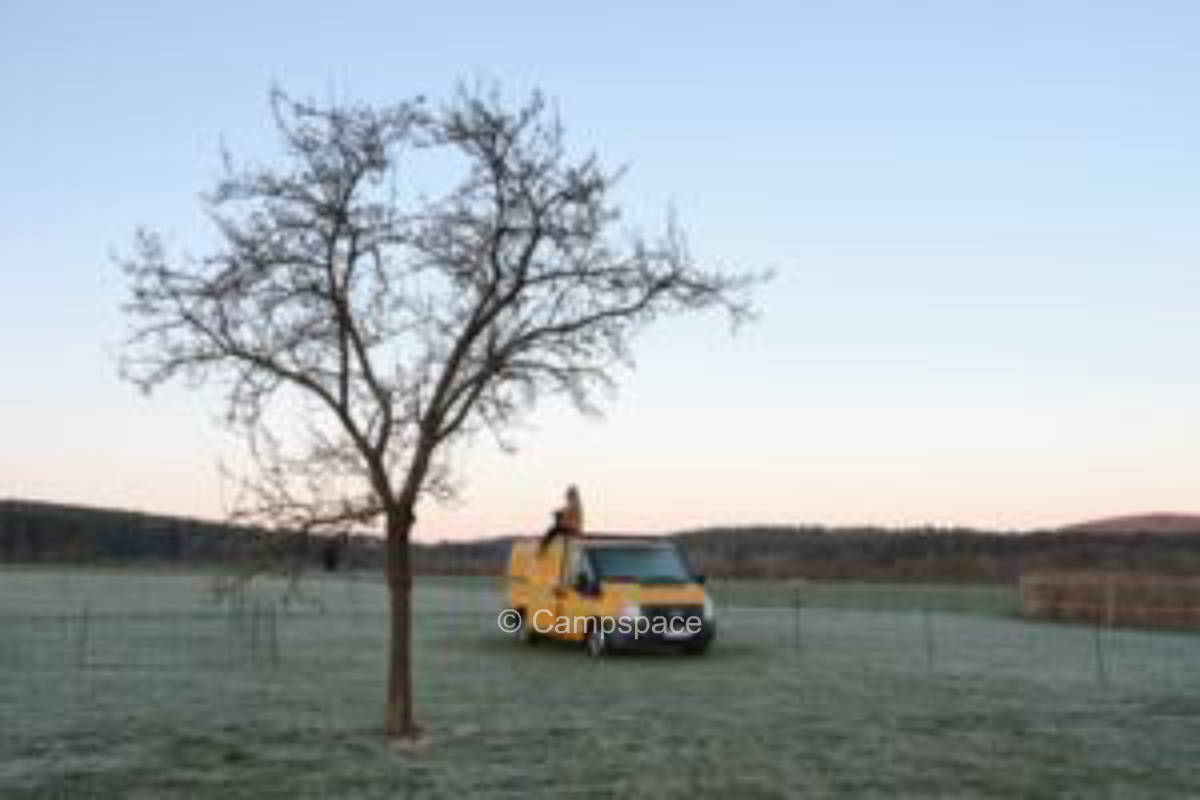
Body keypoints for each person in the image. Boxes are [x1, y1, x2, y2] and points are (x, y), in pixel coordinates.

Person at [540, 485, 584, 549]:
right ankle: (543, 548)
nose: (566, 496)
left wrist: (558, 514)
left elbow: (567, 513)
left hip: (572, 529)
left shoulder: (574, 503)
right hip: (572, 528)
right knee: (555, 529)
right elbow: (566, 512)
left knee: (553, 530)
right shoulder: (574, 503)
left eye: (568, 494)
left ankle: (542, 549)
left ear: (571, 494)